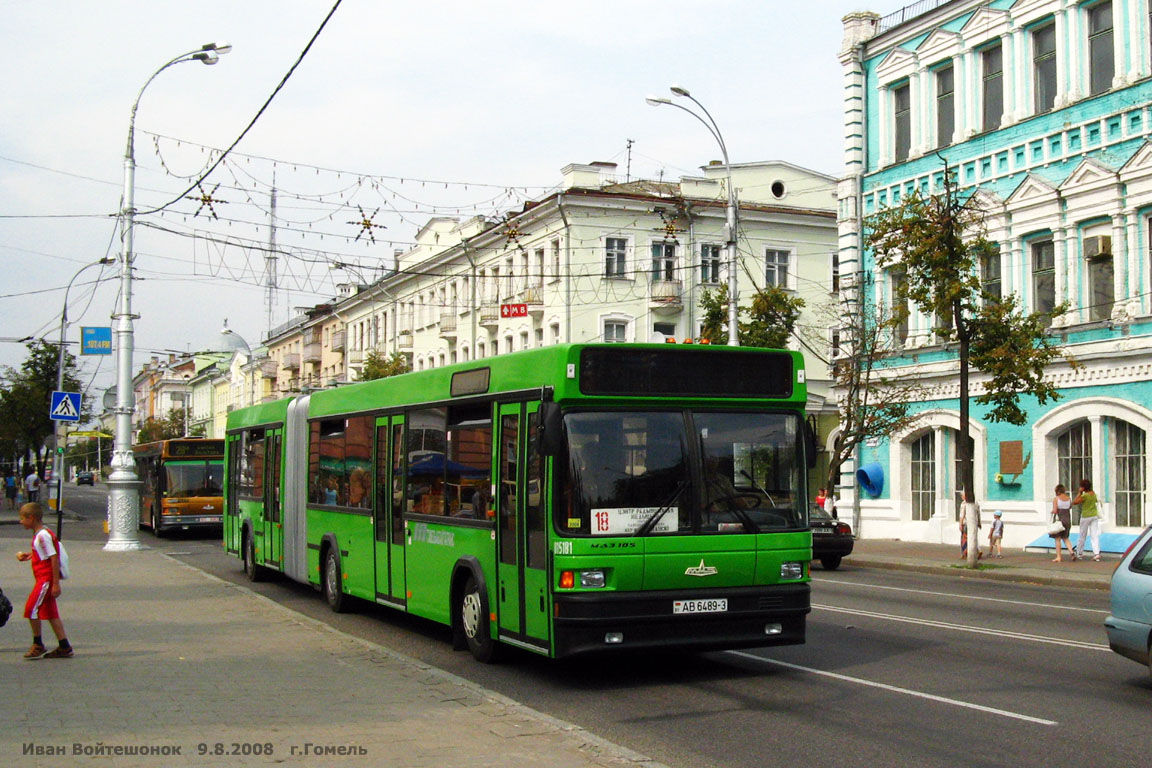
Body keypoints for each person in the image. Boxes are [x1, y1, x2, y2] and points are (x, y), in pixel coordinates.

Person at [15, 502, 72, 659]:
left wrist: (55, 583)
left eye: (22, 518)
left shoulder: (42, 536)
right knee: (51, 613)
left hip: (45, 580)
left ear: (31, 518)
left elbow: (53, 557)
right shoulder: (43, 533)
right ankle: (64, 645)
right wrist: (31, 555)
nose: (20, 522)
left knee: (31, 609)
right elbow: (46, 554)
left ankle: (38, 643)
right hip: (44, 579)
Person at [1072, 478, 1102, 562]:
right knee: (1094, 535)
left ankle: (1079, 552)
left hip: (1085, 516)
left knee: (1082, 534)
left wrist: (1079, 493)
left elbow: (1075, 502)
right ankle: (1096, 553)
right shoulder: (1093, 494)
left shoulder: (1085, 495)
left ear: (1083, 487)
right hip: (1094, 516)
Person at [1050, 484, 1076, 562]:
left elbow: (1055, 510)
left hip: (1059, 521)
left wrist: (1052, 512)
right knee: (1065, 537)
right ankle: (1071, 551)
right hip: (1067, 520)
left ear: (1057, 491)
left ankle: (1059, 557)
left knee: (1057, 539)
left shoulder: (1056, 499)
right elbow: (1070, 507)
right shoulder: (1069, 498)